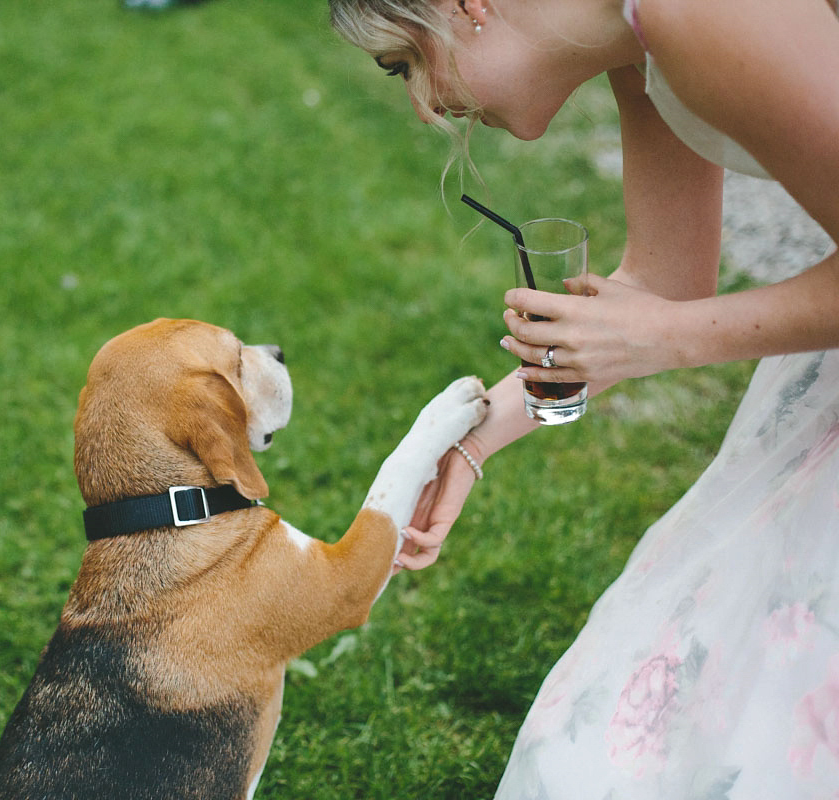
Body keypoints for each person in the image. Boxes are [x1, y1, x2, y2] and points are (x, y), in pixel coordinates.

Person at [329, 0, 839, 797]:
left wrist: (671, 338)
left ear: (469, 5)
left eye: (406, 65)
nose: (423, 108)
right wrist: (475, 438)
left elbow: (664, 321)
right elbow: (664, 285)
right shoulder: (635, 44)